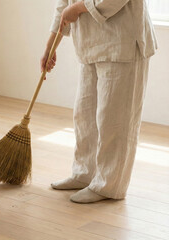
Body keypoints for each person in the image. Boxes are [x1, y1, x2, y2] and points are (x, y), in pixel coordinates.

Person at [43, 0, 157, 203]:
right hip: (90, 45)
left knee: (114, 121)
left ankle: (108, 185)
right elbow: (63, 6)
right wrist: (50, 46)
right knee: (84, 116)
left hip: (123, 41)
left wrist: (77, 8)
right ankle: (84, 174)